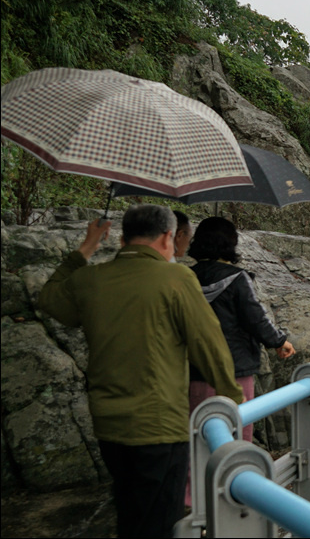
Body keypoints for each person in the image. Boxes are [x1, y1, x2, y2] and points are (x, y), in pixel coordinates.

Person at [39, 205, 244, 539]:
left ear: (122, 239)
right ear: (167, 237)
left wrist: (87, 248)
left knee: (131, 513)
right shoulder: (176, 278)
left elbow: (49, 299)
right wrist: (232, 400)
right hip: (159, 427)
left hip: (108, 425)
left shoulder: (91, 279)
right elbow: (209, 346)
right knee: (160, 523)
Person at [186, 216, 295, 442]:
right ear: (230, 243)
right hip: (235, 367)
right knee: (236, 433)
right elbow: (255, 317)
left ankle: (198, 478)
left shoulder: (187, 277)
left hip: (195, 367)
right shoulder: (237, 278)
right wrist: (278, 341)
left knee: (198, 436)